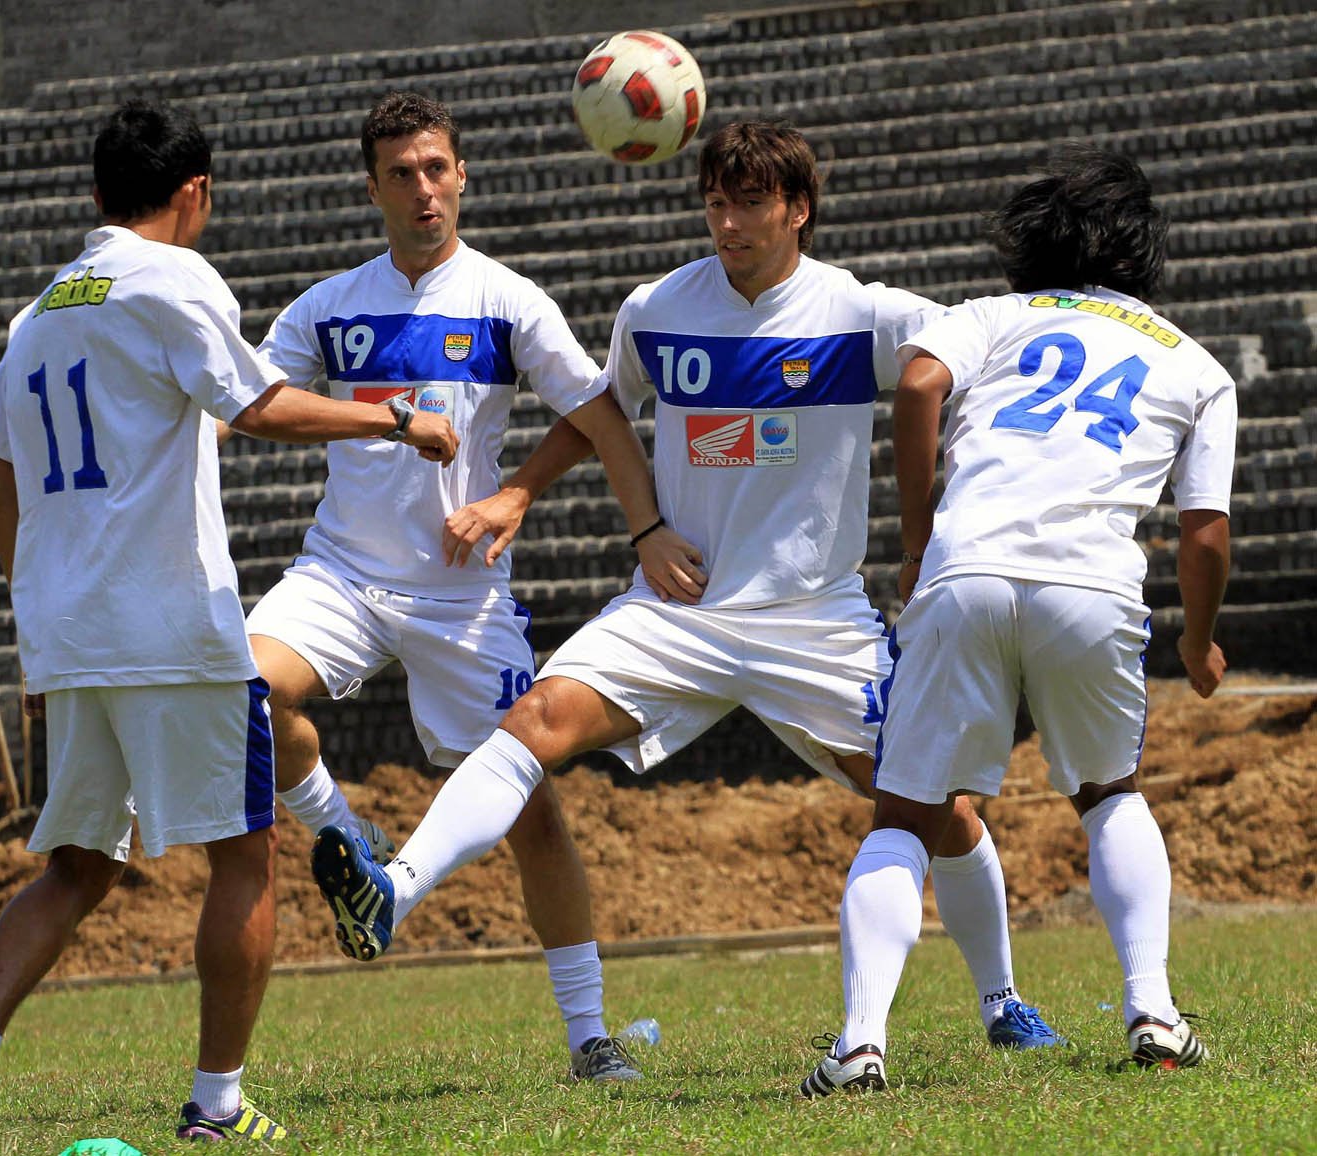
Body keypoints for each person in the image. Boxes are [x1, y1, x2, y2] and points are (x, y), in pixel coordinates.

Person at [312, 120, 1063, 1073]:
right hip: (677, 609)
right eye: (715, 201)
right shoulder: (657, 309)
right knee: (535, 717)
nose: (728, 221)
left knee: (936, 806)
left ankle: (1001, 999)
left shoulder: (862, 315)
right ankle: (395, 887)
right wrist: (535, 495)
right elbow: (598, 415)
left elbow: (975, 375)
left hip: (812, 622)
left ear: (797, 209)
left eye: (750, 202)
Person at [0, 98, 458, 1153]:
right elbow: (256, 404)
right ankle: (217, 1105)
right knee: (244, 856)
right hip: (168, 623)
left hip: (71, 634)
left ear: (95, 195)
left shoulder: (42, 309)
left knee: (77, 867)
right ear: (195, 192)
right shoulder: (173, 278)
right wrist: (395, 418)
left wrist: (36, 599)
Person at [244, 90, 705, 1083]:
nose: (423, 188)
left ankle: (589, 1037)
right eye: (401, 173)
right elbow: (258, 405)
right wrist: (386, 421)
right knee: (239, 696)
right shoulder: (327, 305)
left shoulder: (508, 299)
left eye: (437, 168)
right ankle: (343, 832)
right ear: (371, 187)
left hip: (463, 596)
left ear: (463, 177)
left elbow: (599, 415)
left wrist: (568, 508)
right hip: (341, 573)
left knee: (530, 802)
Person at [803, 144, 1234, 1095]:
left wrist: (916, 543)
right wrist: (1199, 640)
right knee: (1109, 795)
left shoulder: (989, 317)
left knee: (908, 812)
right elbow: (1203, 530)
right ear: (1139, 254)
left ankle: (860, 1045)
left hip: (966, 571)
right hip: (1091, 586)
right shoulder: (1193, 361)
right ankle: (1153, 1012)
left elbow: (917, 386)